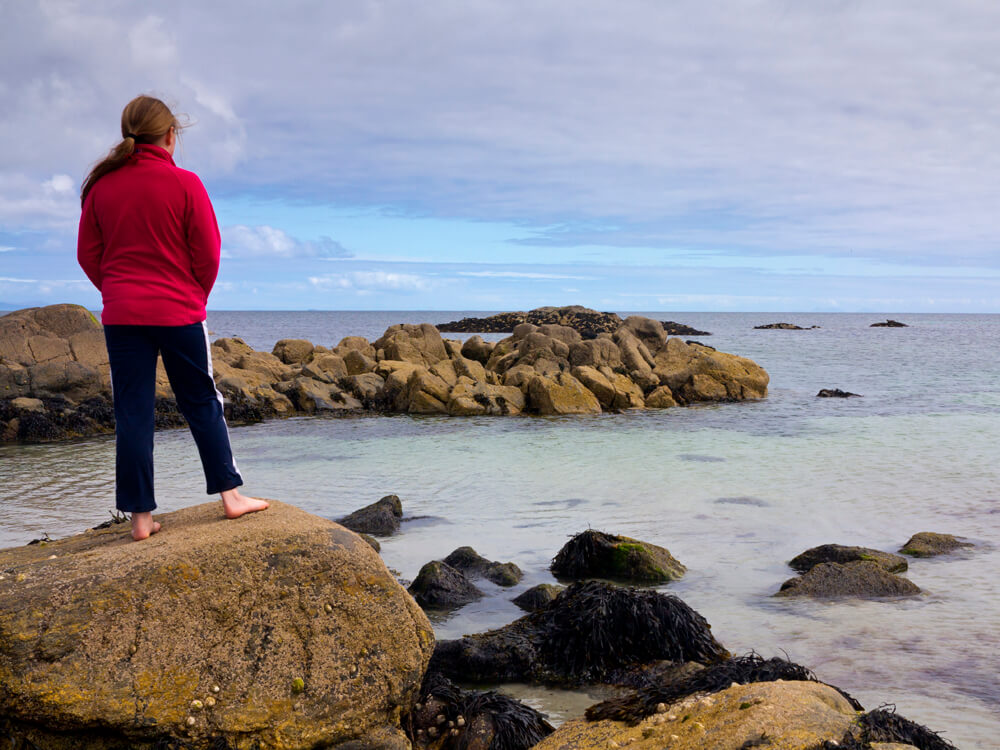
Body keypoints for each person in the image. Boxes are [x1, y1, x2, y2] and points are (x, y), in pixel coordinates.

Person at [77, 94, 268, 541]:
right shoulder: (186, 183)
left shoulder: (101, 187)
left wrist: (117, 292)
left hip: (123, 315)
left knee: (132, 411)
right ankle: (230, 497)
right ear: (169, 135)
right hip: (179, 310)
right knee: (202, 401)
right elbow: (208, 253)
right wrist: (194, 296)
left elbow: (88, 254)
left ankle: (140, 519)